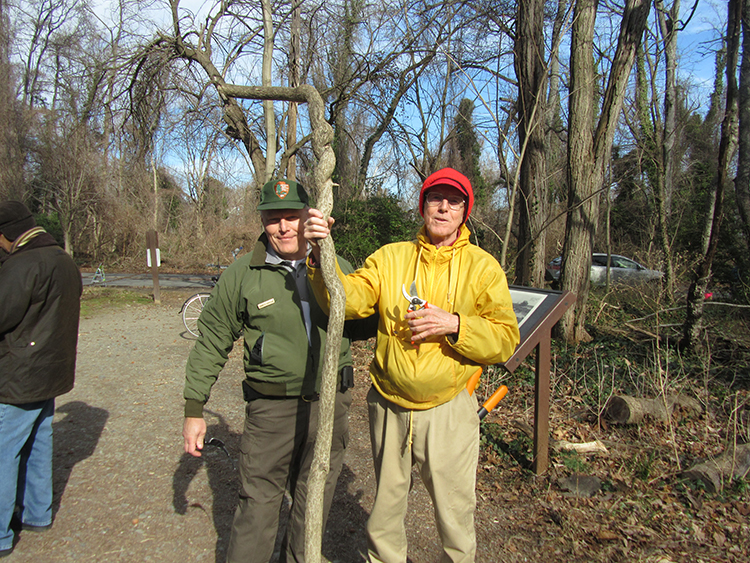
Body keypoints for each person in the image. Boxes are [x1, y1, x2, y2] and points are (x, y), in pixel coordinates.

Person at [304, 168, 520, 563]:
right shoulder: (391, 258)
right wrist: (321, 253)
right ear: (422, 205)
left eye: (453, 200)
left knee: (454, 519)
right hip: (389, 406)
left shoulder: (483, 267)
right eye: (435, 197)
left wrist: (454, 324)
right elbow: (347, 299)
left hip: (449, 409)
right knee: (385, 515)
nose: (442, 206)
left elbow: (506, 339)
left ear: (464, 211)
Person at [182, 179, 365, 563]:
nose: (283, 227)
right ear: (262, 220)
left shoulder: (337, 266)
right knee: (258, 504)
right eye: (272, 218)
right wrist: (194, 408)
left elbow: (364, 324)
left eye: (291, 217)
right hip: (271, 411)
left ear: (308, 216)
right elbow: (213, 338)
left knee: (313, 502)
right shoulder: (243, 273)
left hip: (330, 406)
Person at [0, 201, 82, 558]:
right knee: (37, 444)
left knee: (3, 454)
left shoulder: (22, 264)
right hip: (52, 368)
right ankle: (37, 512)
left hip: (19, 374)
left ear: (6, 235)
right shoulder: (63, 259)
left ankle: (1, 536)